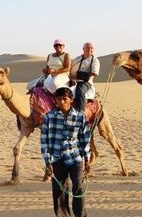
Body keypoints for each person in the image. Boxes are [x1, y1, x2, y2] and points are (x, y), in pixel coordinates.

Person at [41, 87, 92, 217]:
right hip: (57, 158)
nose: (62, 102)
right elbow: (44, 141)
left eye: (65, 99)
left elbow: (84, 139)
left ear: (71, 100)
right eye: (59, 99)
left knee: (78, 188)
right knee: (59, 191)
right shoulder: (49, 117)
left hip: (75, 158)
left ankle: (80, 215)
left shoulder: (80, 117)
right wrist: (47, 162)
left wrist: (87, 159)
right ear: (55, 101)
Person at [70, 42, 100, 111]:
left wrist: (80, 75)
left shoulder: (95, 60)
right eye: (88, 48)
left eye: (91, 48)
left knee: (80, 92)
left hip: (85, 82)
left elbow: (94, 73)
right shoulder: (77, 58)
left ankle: (81, 112)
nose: (90, 49)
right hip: (71, 79)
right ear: (83, 49)